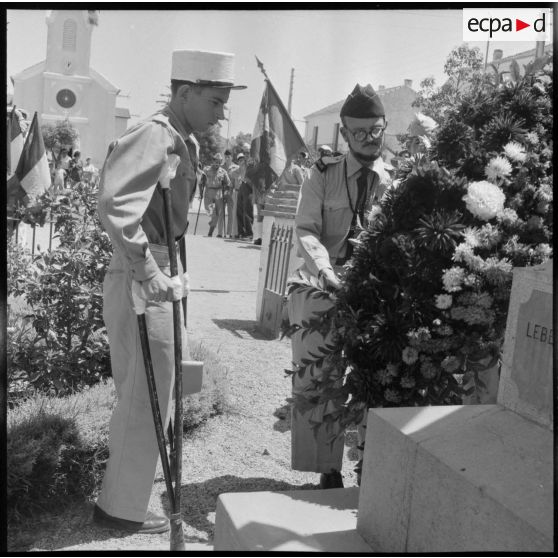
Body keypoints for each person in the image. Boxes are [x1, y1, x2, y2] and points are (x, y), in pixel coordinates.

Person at [95, 49, 246, 534]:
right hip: (146, 269)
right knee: (148, 394)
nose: (222, 111)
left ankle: (121, 500)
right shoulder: (156, 134)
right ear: (185, 93)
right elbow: (116, 204)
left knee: (148, 389)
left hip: (161, 264)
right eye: (216, 100)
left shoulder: (180, 137)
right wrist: (147, 268)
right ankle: (121, 511)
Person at [286, 84, 391, 489]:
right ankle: (326, 470)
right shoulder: (322, 174)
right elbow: (306, 230)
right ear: (344, 135)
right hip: (321, 283)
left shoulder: (394, 182)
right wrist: (329, 274)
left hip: (371, 290)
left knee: (376, 376)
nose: (370, 139)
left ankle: (371, 465)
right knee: (318, 377)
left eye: (376, 130)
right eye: (360, 133)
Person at [203, 152, 232, 238]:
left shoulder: (223, 172)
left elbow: (229, 184)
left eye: (219, 162)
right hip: (208, 193)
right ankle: (211, 228)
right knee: (211, 212)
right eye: (216, 161)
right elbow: (201, 180)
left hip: (219, 194)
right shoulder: (206, 170)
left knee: (217, 214)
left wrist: (226, 190)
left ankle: (210, 232)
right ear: (213, 161)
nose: (217, 164)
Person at [230, 153, 253, 239]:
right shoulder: (237, 169)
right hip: (241, 188)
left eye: (242, 159)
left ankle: (249, 233)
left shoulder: (249, 167)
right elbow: (231, 173)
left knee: (247, 212)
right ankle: (241, 232)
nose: (241, 161)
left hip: (248, 188)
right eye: (239, 160)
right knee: (238, 211)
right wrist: (239, 175)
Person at [222, 149, 239, 238]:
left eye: (228, 157)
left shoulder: (236, 167)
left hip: (231, 192)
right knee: (220, 213)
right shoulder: (221, 167)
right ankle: (220, 233)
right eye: (225, 157)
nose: (227, 158)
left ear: (232, 157)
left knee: (231, 214)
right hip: (222, 192)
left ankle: (229, 232)